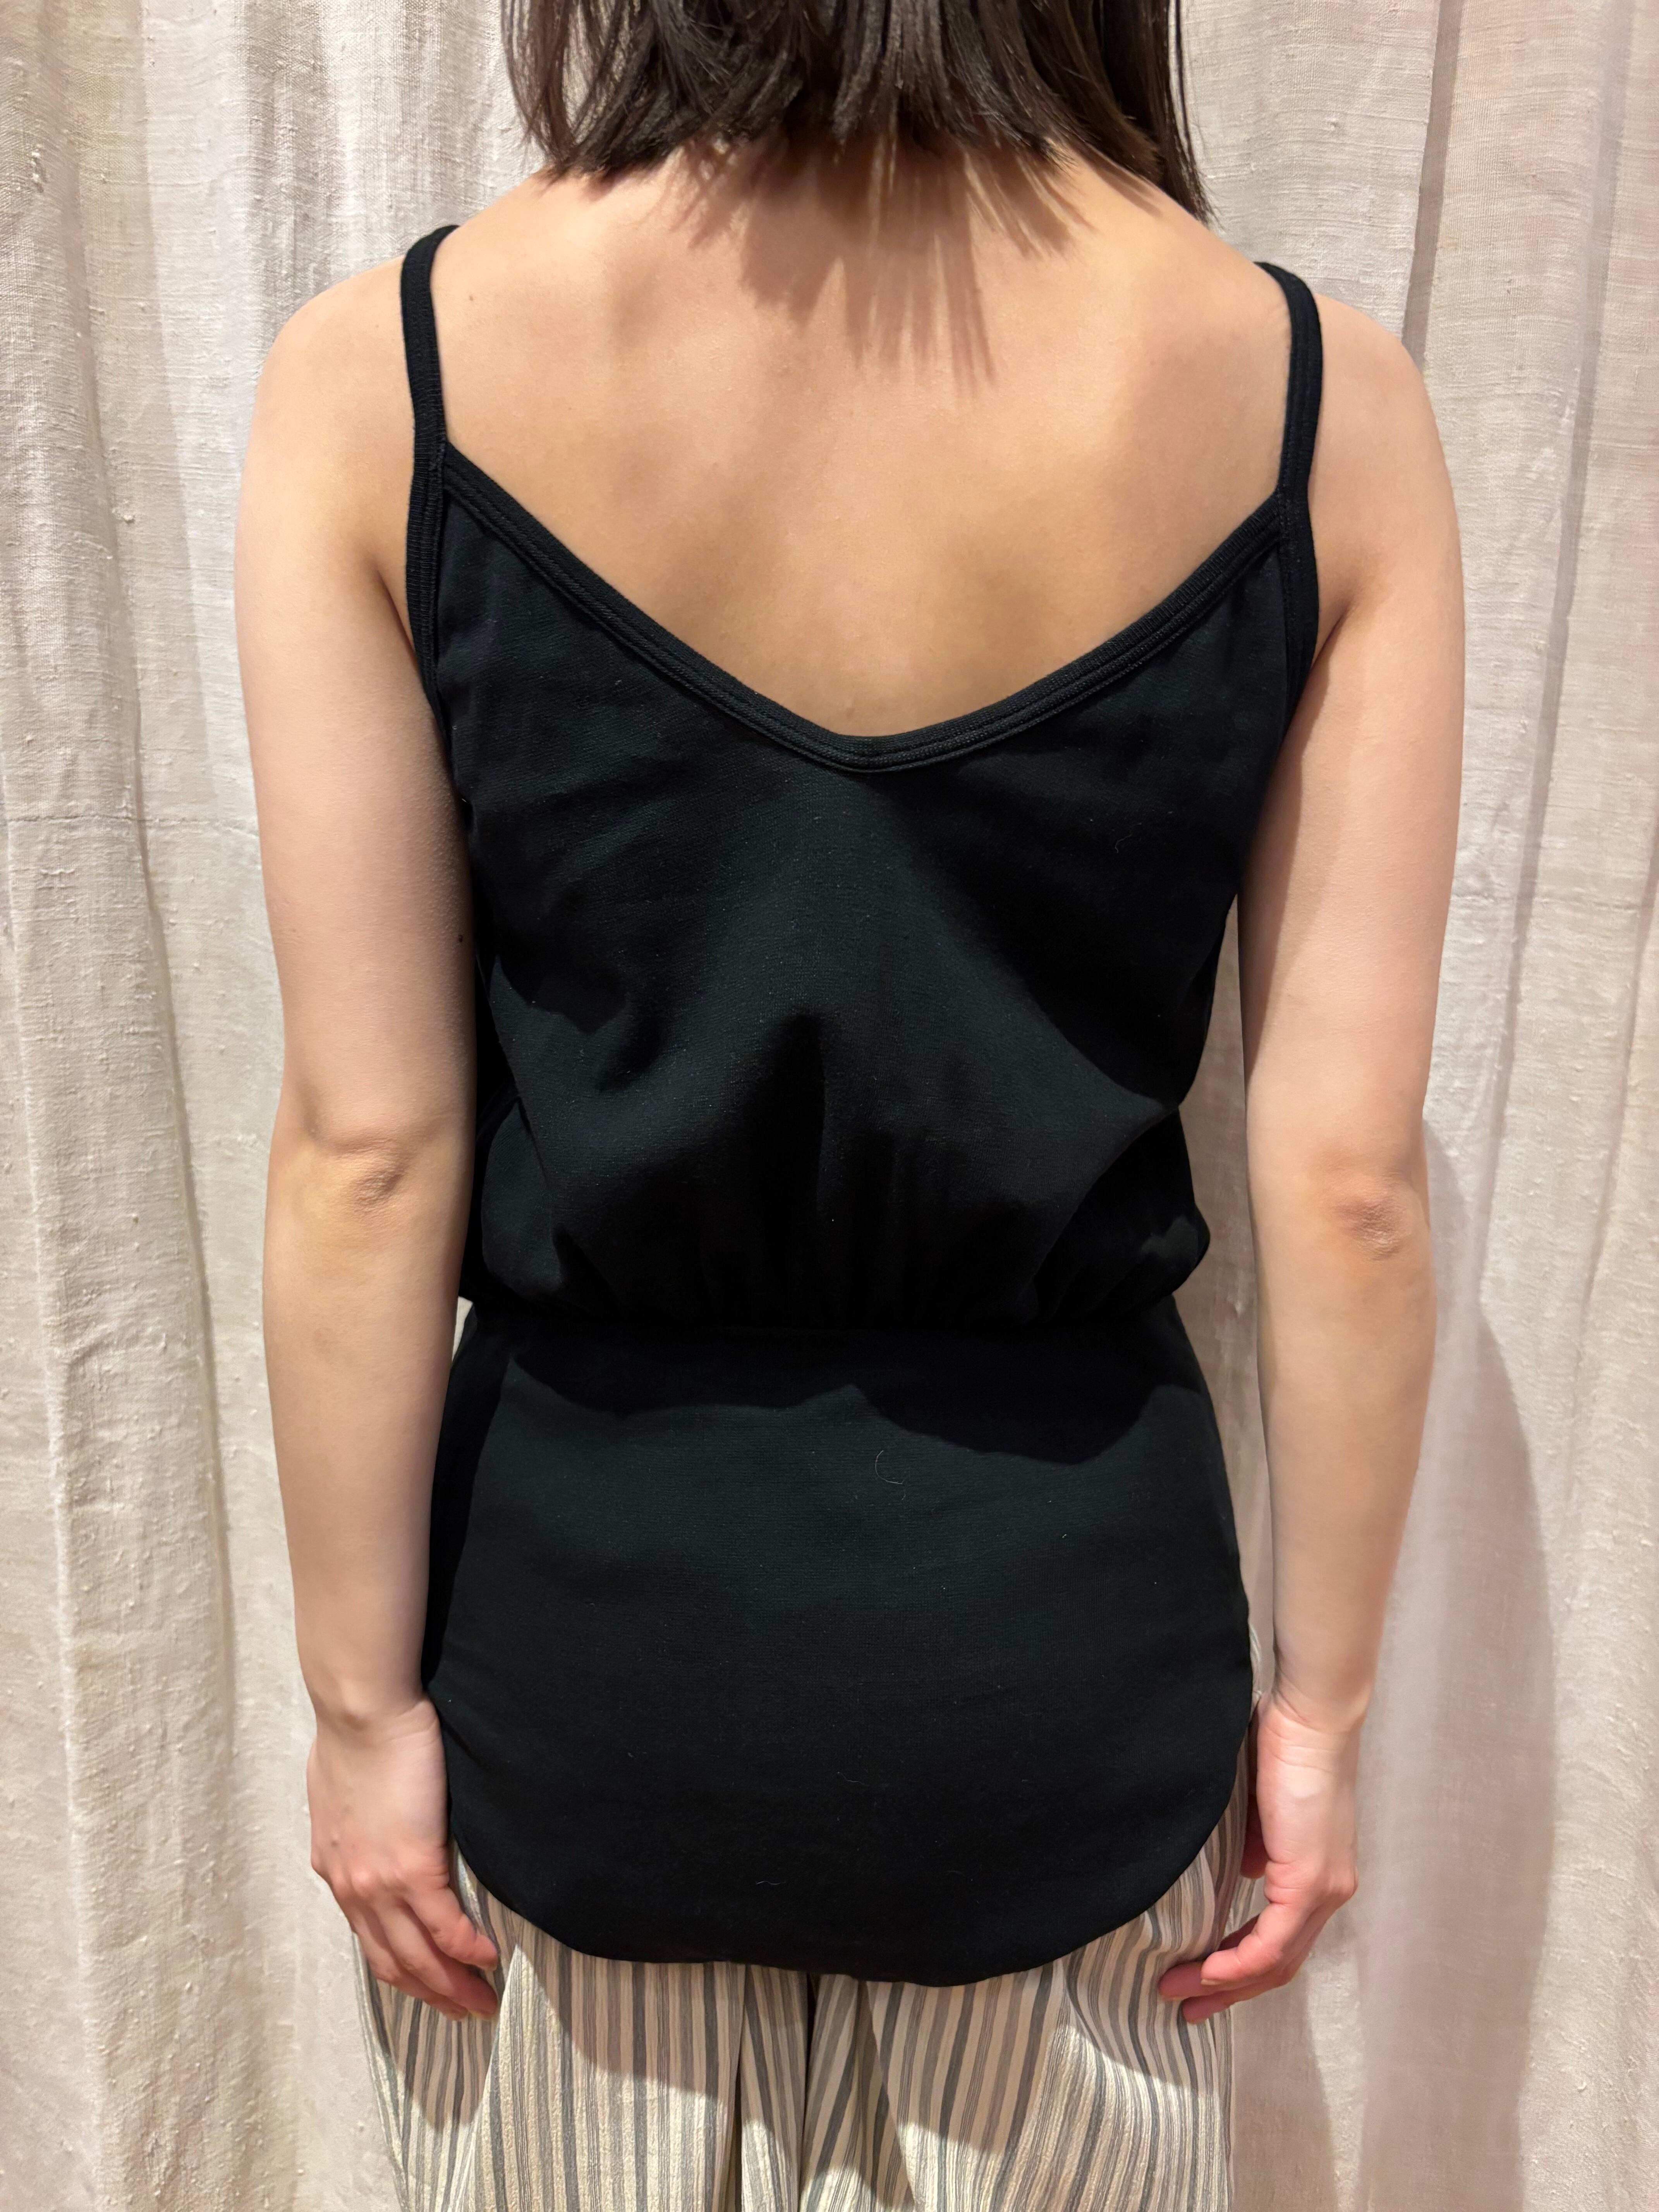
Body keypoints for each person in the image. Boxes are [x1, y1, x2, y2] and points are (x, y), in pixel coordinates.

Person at [234, 0, 1462, 2201]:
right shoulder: (1313, 402)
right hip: (1062, 1698)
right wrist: (1322, 1717)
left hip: (575, 1696)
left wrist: (357, 1711)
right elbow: (1349, 1181)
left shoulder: (386, 377)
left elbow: (369, 1152)